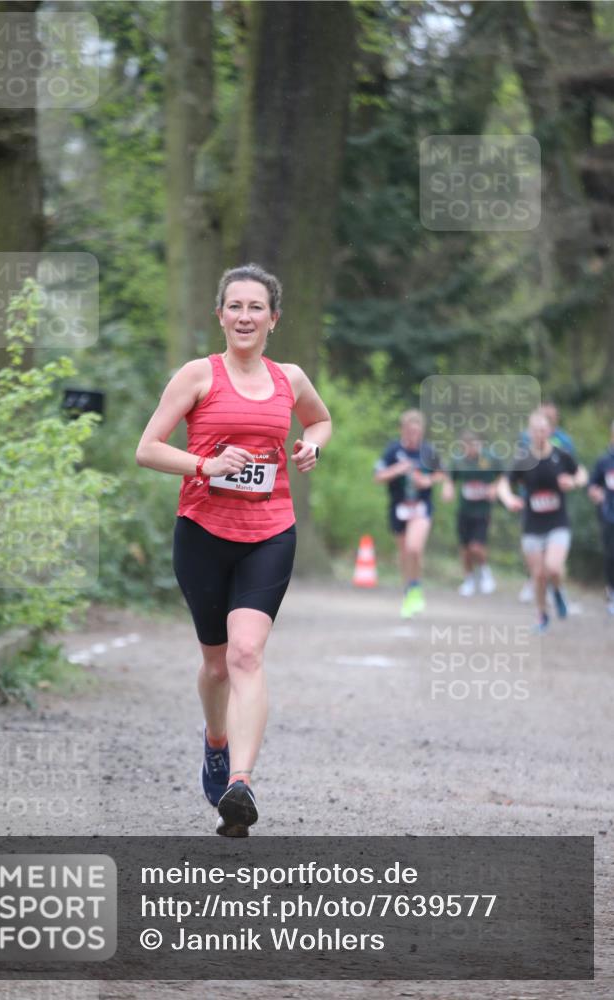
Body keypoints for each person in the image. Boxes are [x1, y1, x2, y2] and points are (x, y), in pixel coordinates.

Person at [136, 263, 331, 836]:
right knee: (217, 664)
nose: (245, 317)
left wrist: (310, 446)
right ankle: (215, 741)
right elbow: (148, 449)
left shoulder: (289, 378)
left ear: (274, 318)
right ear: (219, 315)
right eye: (235, 306)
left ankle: (238, 785)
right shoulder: (197, 376)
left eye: (256, 308)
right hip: (201, 532)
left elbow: (320, 421)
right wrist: (206, 464)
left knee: (248, 653)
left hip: (270, 531)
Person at [498, 410, 587, 633]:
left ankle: (557, 592)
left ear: (549, 431)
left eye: (543, 430)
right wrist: (509, 499)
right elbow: (503, 484)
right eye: (535, 430)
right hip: (532, 525)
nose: (539, 434)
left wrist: (573, 481)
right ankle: (542, 614)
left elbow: (582, 473)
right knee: (538, 575)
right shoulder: (523, 459)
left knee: (553, 568)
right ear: (529, 433)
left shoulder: (561, 455)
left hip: (558, 523)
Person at [374, 410, 446, 618]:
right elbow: (378, 476)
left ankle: (415, 588)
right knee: (405, 553)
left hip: (421, 507)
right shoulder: (393, 450)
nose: (414, 436)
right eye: (410, 431)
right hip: (399, 508)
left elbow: (441, 473)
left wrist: (428, 481)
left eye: (417, 432)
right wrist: (396, 470)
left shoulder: (428, 451)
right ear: (402, 430)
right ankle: (410, 592)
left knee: (414, 548)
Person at [518, 402, 577, 602]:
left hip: (556, 500)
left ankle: (557, 586)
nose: (546, 421)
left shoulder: (564, 441)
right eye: (543, 416)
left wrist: (571, 481)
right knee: (534, 549)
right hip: (532, 499)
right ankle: (533, 581)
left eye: (550, 418)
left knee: (555, 556)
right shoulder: (526, 439)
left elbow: (573, 469)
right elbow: (518, 467)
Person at [445, 431, 499, 596]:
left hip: (482, 510)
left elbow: (504, 477)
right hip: (465, 509)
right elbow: (450, 478)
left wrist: (494, 487)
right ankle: (468, 579)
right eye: (466, 447)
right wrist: (449, 489)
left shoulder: (489, 459)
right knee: (465, 548)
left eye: (473, 446)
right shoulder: (458, 461)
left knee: (477, 547)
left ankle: (484, 572)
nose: (470, 450)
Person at [587, 420, 614, 615]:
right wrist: (594, 492)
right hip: (609, 515)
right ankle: (611, 592)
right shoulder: (603, 461)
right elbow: (592, 484)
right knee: (611, 554)